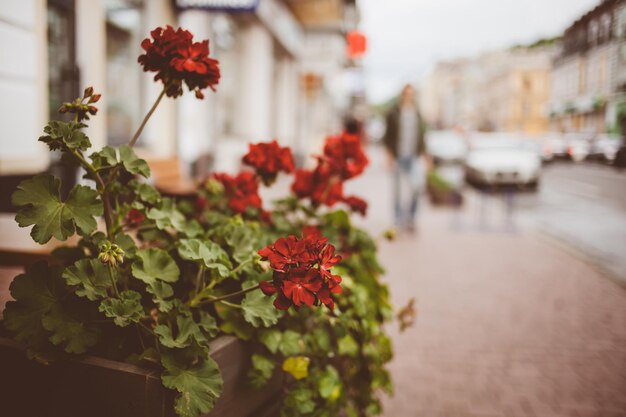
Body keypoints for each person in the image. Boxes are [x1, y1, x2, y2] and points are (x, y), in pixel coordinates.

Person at [382, 84, 427, 233]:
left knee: (416, 187)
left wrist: (425, 155)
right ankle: (397, 219)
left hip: (413, 157)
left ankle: (411, 218)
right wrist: (388, 155)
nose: (409, 96)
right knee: (398, 191)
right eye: (407, 93)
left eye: (412, 94)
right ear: (402, 95)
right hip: (398, 156)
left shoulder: (417, 113)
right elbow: (387, 136)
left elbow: (421, 135)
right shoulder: (393, 113)